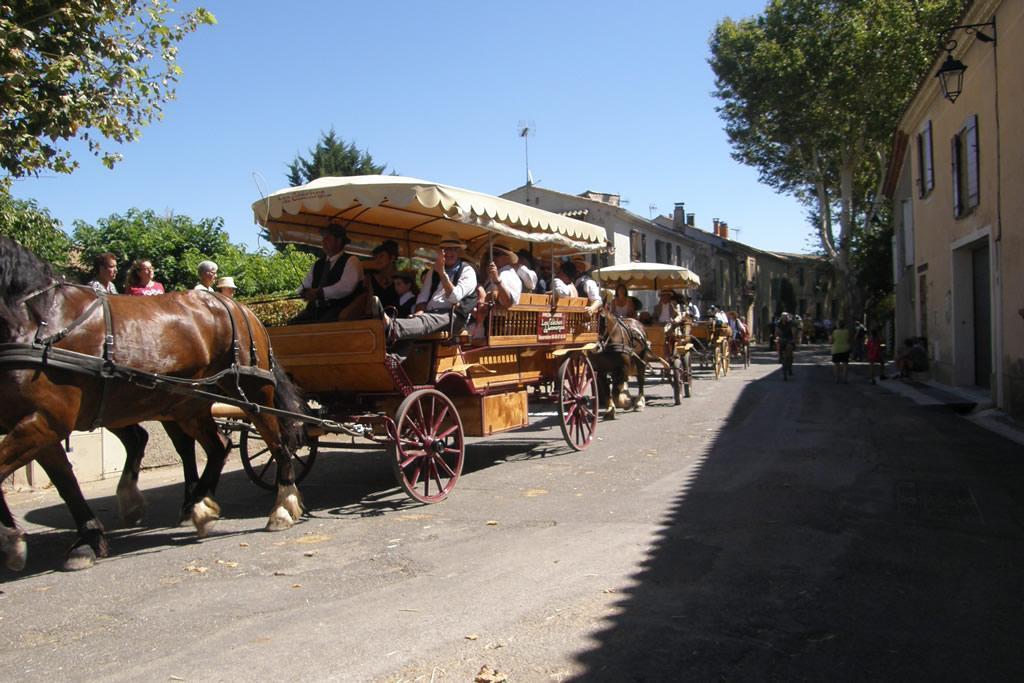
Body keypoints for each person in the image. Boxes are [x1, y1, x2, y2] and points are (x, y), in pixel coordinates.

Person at [381, 232, 478, 344]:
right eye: (446, 249)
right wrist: (419, 312)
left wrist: (442, 273)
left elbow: (454, 297)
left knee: (426, 321)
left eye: (453, 250)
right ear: (441, 252)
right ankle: (395, 358)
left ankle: (391, 325)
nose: (449, 253)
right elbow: (423, 297)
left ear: (458, 252)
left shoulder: (467, 271)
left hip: (455, 316)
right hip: (431, 313)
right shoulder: (433, 271)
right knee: (416, 322)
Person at [290, 223, 365, 324]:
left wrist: (319, 293)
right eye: (323, 238)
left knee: (322, 327)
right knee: (293, 324)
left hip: (338, 309)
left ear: (339, 241)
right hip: (314, 310)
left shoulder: (352, 261)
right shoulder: (318, 264)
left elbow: (345, 287)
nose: (323, 241)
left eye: (328, 238)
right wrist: (304, 292)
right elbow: (305, 284)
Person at [484, 243, 523, 308]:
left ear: (507, 258)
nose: (492, 257)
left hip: (496, 316)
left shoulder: (507, 274)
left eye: (496, 254)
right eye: (490, 254)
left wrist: (497, 281)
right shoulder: (499, 272)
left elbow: (508, 302)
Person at [365, 240, 400, 308]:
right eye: (375, 257)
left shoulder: (401, 279)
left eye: (381, 256)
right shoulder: (370, 277)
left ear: (392, 258)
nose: (377, 260)